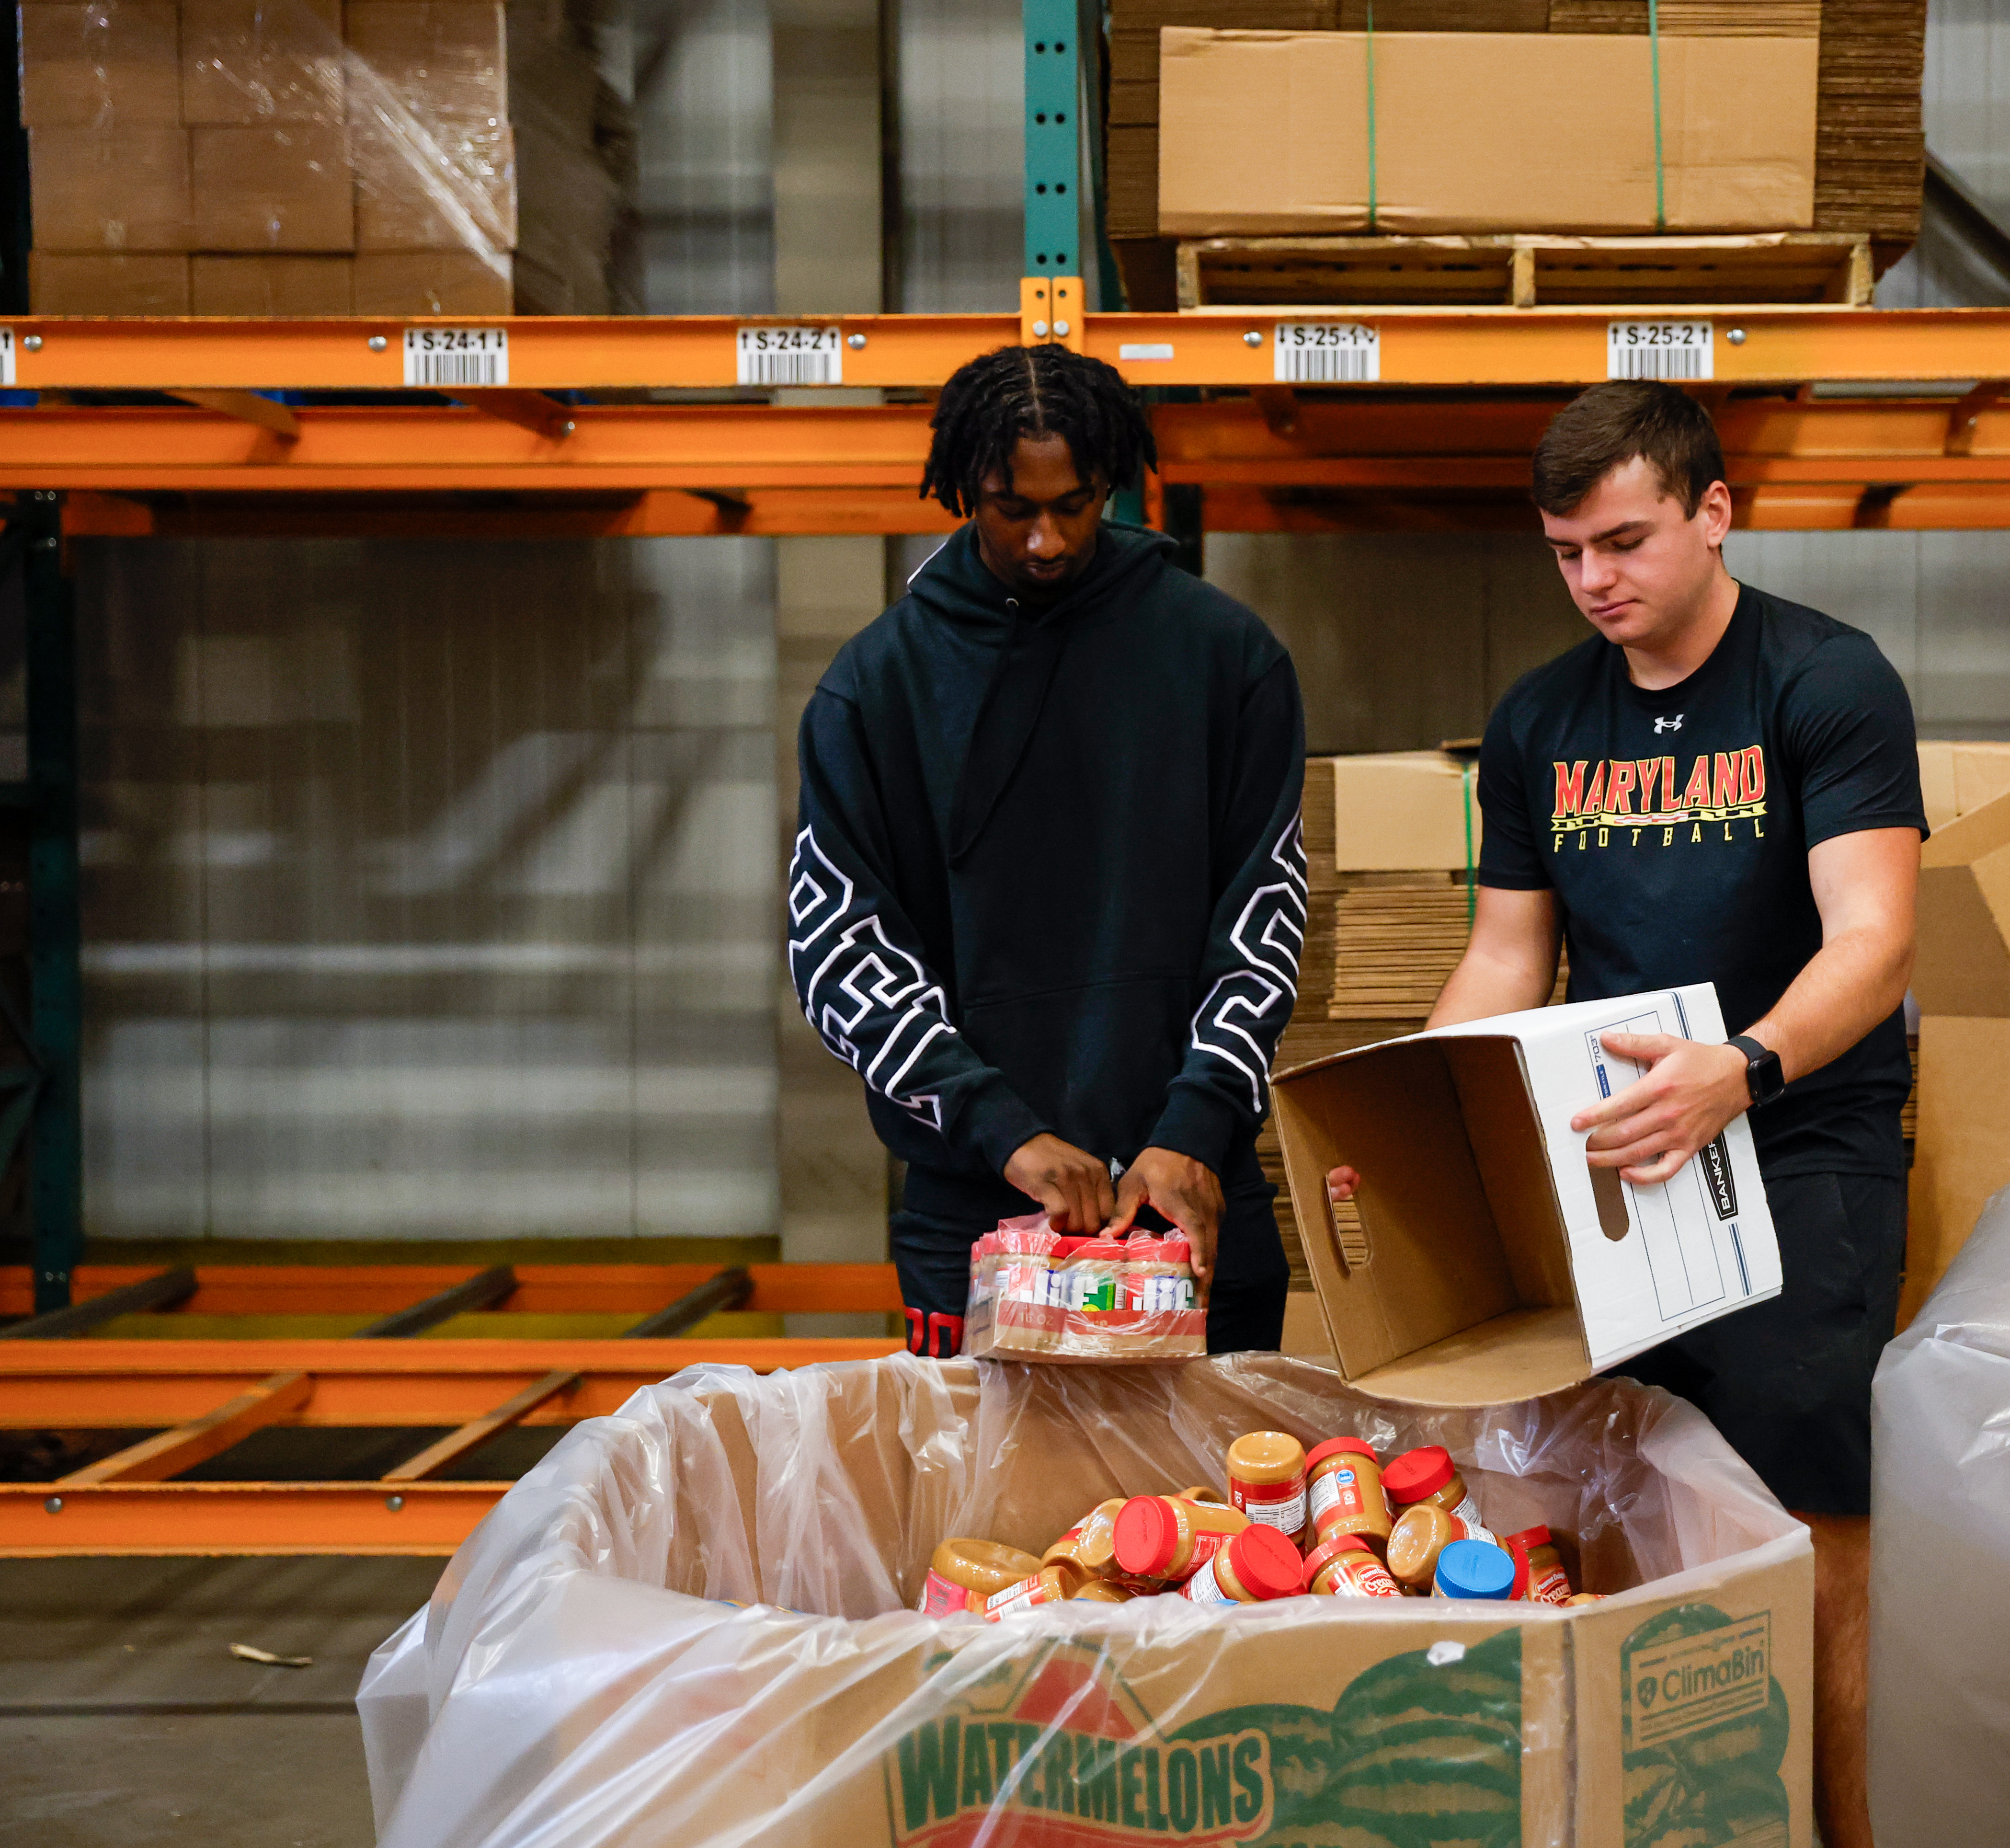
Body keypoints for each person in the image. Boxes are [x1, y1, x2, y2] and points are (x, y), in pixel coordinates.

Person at [1336, 381, 1919, 1846]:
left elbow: (1875, 937)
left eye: (1623, 540)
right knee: (1585, 1482)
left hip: (1792, 1140)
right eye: (1564, 552)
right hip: (1613, 1151)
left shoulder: (1825, 682)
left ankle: (1832, 1826)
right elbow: (1507, 953)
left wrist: (1752, 1065)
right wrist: (1407, 1109)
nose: (1594, 579)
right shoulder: (1540, 718)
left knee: (1807, 1503)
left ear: (1714, 513)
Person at [790, 342, 1305, 1357]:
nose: (1044, 540)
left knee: (1215, 1515)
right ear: (960, 491)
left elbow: (1265, 914)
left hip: (1188, 1198)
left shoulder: (1223, 657)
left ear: (1110, 483)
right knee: (987, 1519)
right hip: (976, 1211)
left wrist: (1192, 1128)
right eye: (1008, 508)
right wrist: (1002, 1131)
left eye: (1073, 505)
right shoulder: (878, 686)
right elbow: (838, 950)